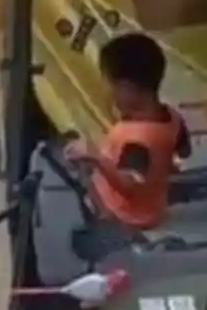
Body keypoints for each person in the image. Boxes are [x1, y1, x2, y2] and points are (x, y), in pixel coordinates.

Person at [64, 32, 191, 231]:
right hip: (154, 207)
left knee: (71, 183)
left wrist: (96, 157)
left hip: (123, 216)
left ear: (127, 89)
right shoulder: (172, 116)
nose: (109, 94)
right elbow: (184, 151)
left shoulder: (137, 140)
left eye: (111, 87)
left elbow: (128, 186)